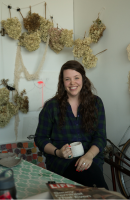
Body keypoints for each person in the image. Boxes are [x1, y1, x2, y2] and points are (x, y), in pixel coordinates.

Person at [34, 60, 108, 189]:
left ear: (83, 79)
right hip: (62, 161)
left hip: (91, 158)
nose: (72, 83)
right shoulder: (52, 106)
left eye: (76, 78)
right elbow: (40, 138)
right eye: (67, 79)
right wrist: (58, 152)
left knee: (91, 178)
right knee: (92, 184)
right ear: (62, 82)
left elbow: (100, 137)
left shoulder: (96, 103)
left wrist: (88, 156)